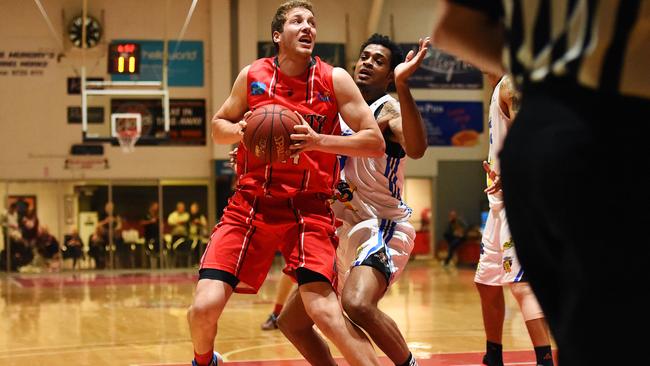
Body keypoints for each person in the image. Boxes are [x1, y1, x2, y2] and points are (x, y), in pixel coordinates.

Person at [432, 2, 650, 364]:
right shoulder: (505, 85)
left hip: (541, 146)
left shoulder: (515, 82)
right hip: (620, 123)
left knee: (566, 306)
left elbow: (454, 27)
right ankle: (501, 354)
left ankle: (543, 356)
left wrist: (538, 63)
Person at [186, 1, 385, 366]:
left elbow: (374, 141)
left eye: (312, 22)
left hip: (308, 209)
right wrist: (241, 132)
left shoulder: (334, 79)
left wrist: (317, 141)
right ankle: (205, 361)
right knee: (202, 308)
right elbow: (218, 127)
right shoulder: (252, 75)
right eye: (297, 21)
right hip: (250, 205)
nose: (308, 27)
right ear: (278, 35)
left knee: (325, 313)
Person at [277, 34, 429, 366]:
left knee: (357, 304)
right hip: (340, 229)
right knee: (292, 323)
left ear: (390, 74)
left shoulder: (388, 110)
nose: (368, 63)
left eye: (379, 60)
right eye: (364, 56)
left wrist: (403, 87)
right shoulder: (334, 111)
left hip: (381, 224)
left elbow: (417, 149)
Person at [476, 73, 553, 366]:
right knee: (487, 282)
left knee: (522, 285)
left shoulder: (512, 83)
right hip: (499, 204)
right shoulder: (499, 87)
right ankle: (493, 355)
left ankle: (545, 360)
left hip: (520, 198)